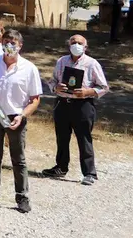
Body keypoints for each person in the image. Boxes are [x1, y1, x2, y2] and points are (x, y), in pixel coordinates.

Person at [0, 29, 42, 213]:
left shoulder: (29, 68)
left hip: (16, 117)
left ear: (20, 46)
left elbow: (35, 99)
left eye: (14, 42)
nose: (9, 45)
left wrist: (23, 115)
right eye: (6, 42)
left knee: (18, 159)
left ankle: (22, 197)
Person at [43, 34, 109, 185]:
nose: (76, 45)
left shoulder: (92, 64)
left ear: (85, 47)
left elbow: (104, 87)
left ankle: (89, 173)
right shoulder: (61, 61)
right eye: (74, 42)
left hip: (82, 105)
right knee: (62, 137)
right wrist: (55, 87)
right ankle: (61, 167)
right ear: (69, 44)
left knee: (84, 138)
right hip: (62, 103)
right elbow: (52, 80)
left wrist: (88, 92)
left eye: (80, 43)